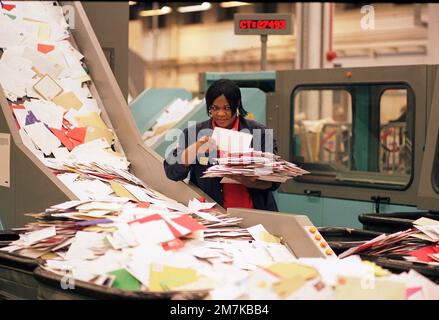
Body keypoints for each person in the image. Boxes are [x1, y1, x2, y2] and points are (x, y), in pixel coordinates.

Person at [163, 79, 279, 211]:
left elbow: (274, 182)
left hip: (256, 213)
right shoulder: (194, 133)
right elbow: (172, 172)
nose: (221, 114)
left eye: (227, 108)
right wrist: (195, 148)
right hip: (213, 215)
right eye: (214, 108)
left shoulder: (260, 133)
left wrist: (253, 177)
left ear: (237, 104)